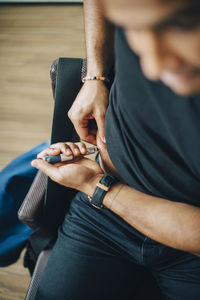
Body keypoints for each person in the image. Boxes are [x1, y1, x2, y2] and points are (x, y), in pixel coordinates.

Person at [31, 0, 200, 299]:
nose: (151, 65)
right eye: (130, 27)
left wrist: (96, 186)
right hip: (102, 215)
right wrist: (95, 75)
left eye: (178, 25)